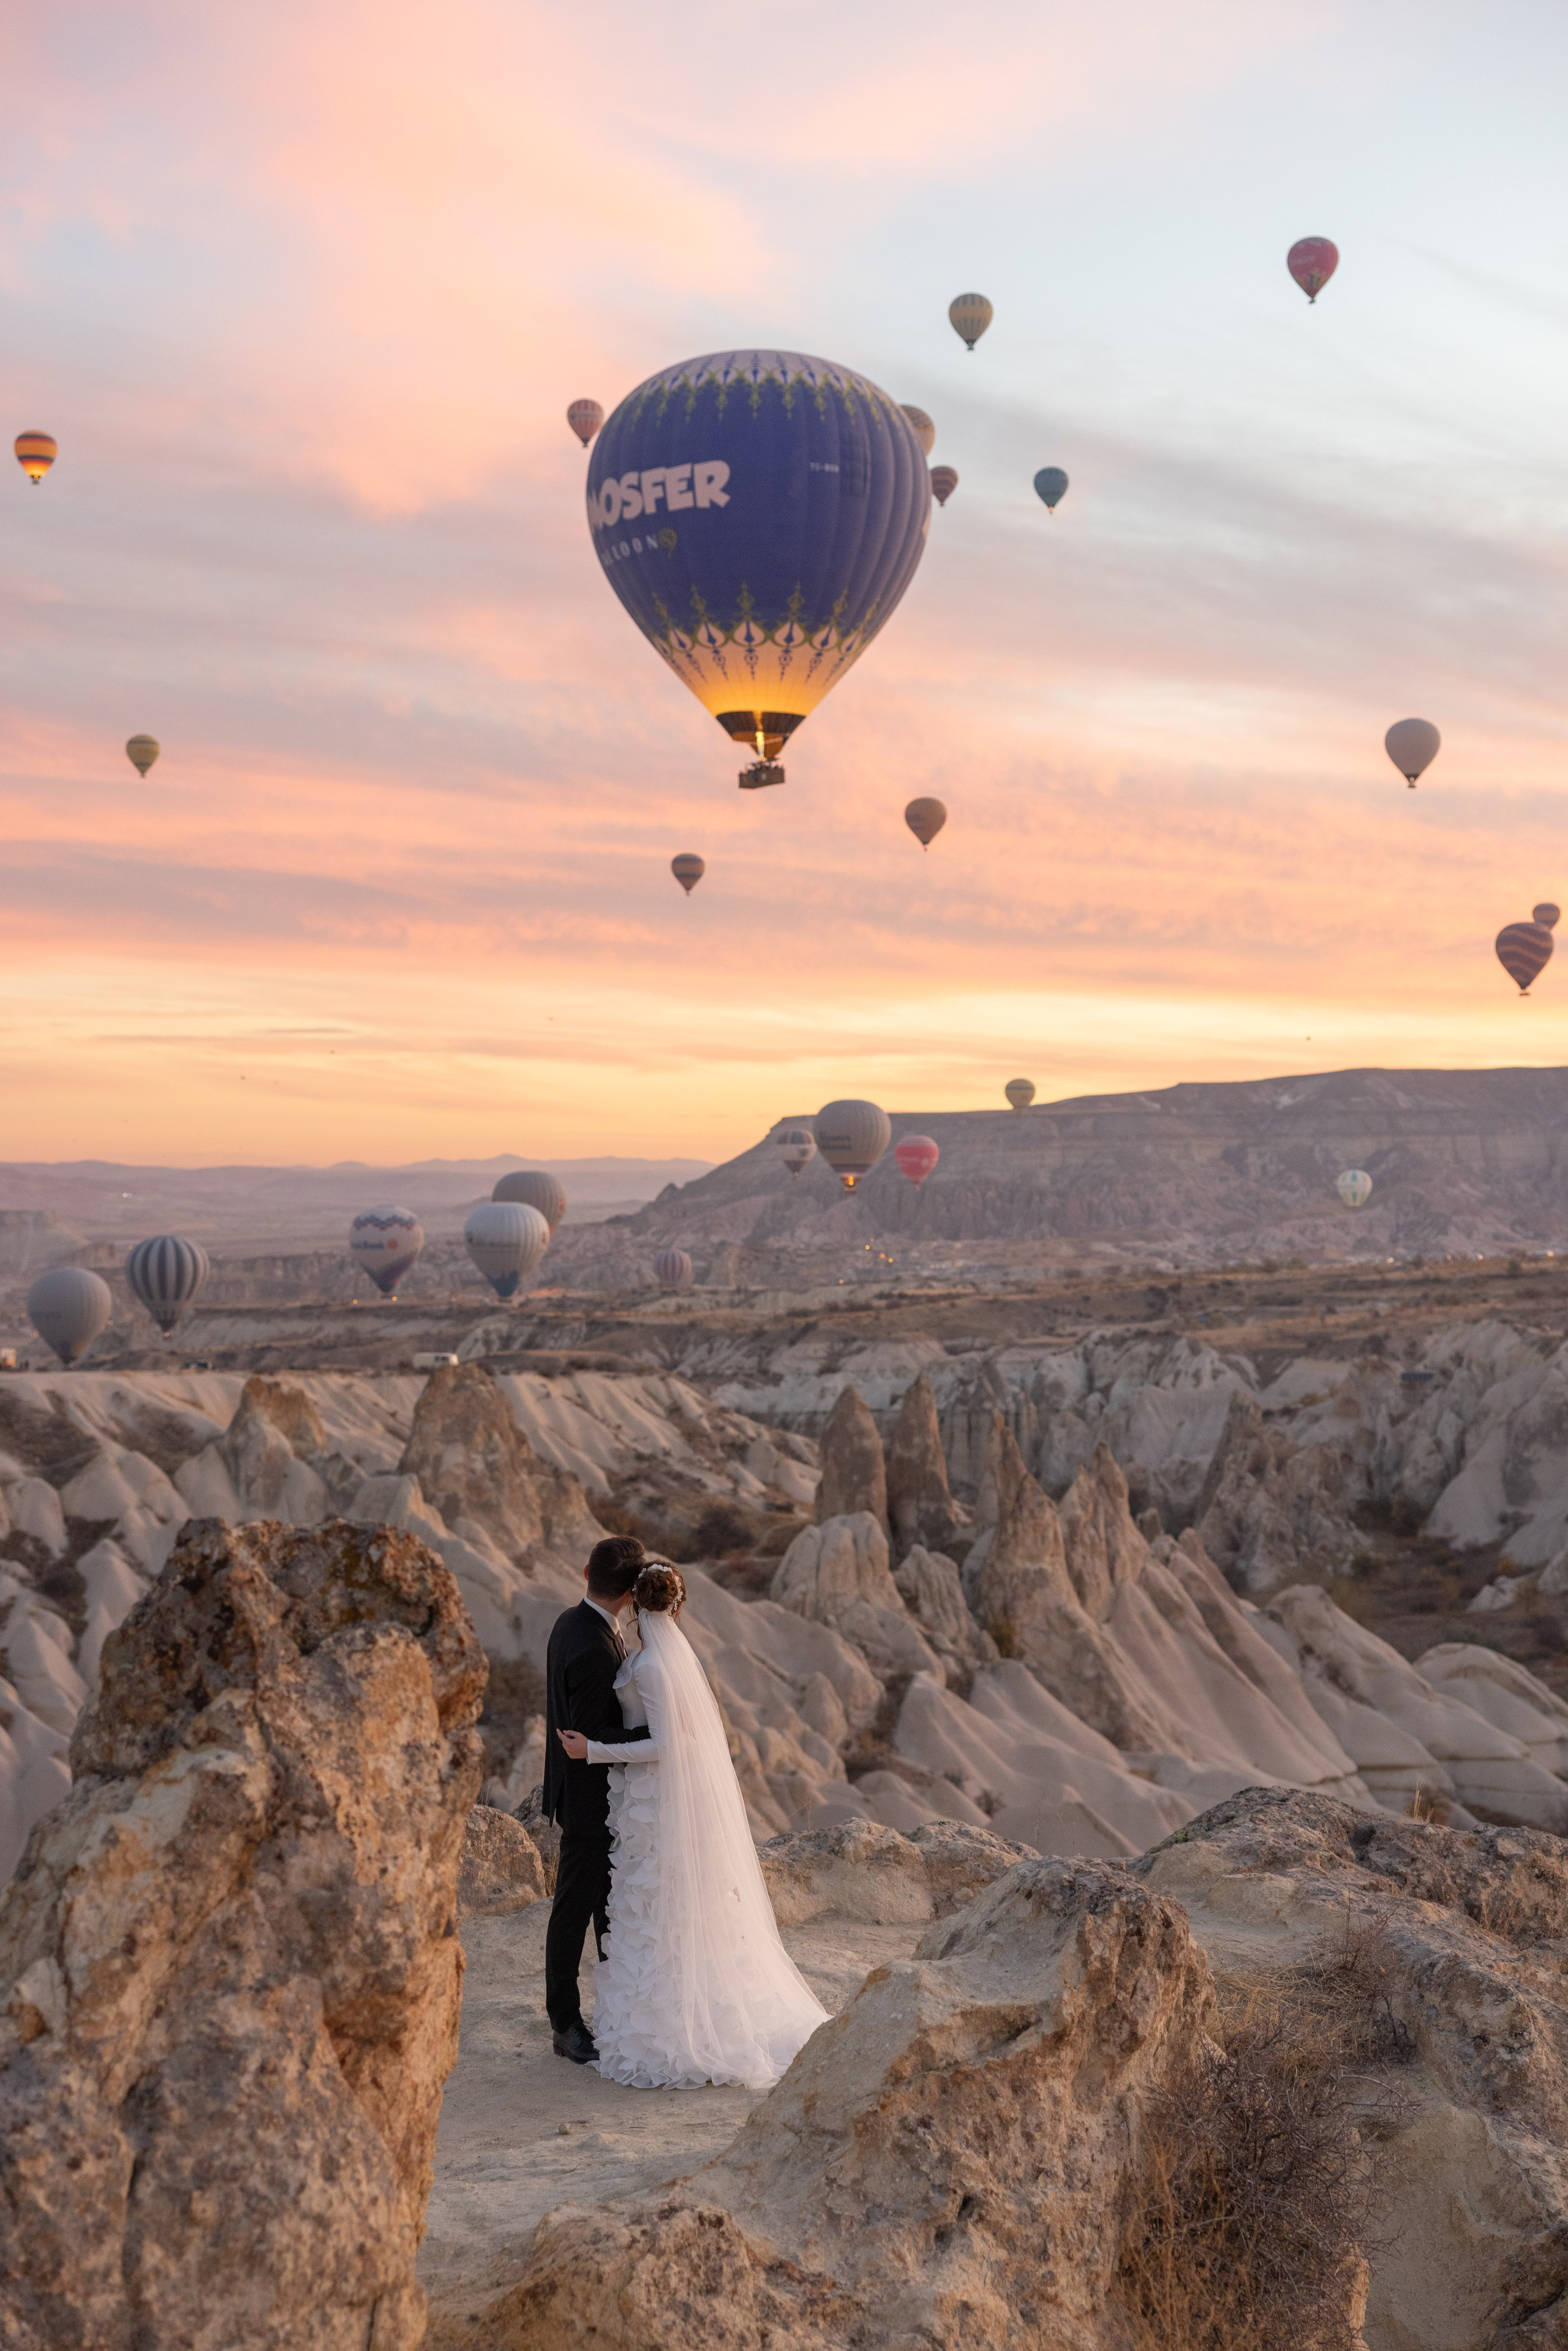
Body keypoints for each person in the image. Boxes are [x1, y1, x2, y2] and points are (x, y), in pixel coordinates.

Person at [556, 1561, 828, 2090]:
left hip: (657, 1800)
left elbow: (667, 1745)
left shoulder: (655, 1665)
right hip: (643, 1804)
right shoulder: (656, 1659)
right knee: (650, 1903)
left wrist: (594, 1750)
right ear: (679, 1607)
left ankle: (674, 2023)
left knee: (663, 1903)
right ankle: (649, 2010)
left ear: (637, 1605)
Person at [542, 1533, 651, 2063]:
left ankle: (613, 2010)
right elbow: (588, 1739)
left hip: (583, 1796)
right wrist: (660, 1739)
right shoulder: (592, 1647)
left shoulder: (571, 1621)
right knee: (574, 1910)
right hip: (589, 1802)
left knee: (606, 1908)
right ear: (631, 1596)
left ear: (586, 1571)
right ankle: (565, 2024)